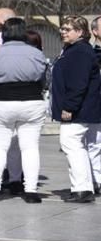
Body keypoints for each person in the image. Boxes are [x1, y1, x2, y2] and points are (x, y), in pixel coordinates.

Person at [0, 17, 48, 203]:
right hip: (32, 102)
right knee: (30, 147)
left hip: (1, 103)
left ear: (5, 34)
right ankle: (31, 191)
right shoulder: (36, 54)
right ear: (23, 33)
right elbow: (44, 80)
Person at [52, 16, 100, 203]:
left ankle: (82, 189)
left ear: (80, 32)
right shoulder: (73, 50)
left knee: (72, 144)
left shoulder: (79, 52)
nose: (63, 32)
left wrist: (69, 107)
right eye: (62, 28)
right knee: (74, 146)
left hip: (79, 110)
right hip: (81, 108)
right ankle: (83, 187)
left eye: (68, 29)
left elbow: (78, 83)